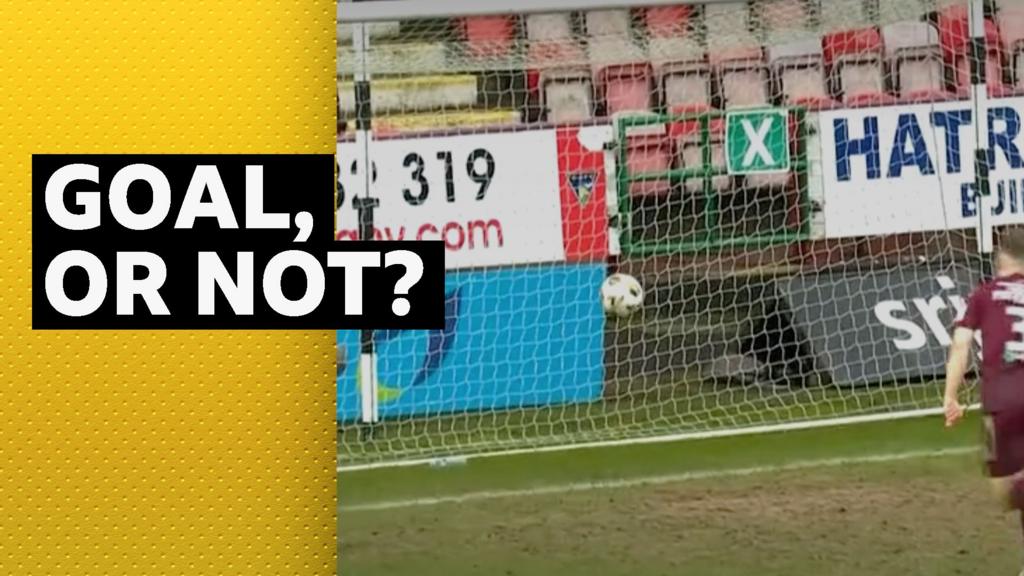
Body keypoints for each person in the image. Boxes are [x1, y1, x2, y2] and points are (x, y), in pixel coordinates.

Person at [945, 227, 1024, 572]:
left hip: (1001, 402)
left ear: (999, 256)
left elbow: (961, 344)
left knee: (1004, 492)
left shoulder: (983, 294)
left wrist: (951, 396)